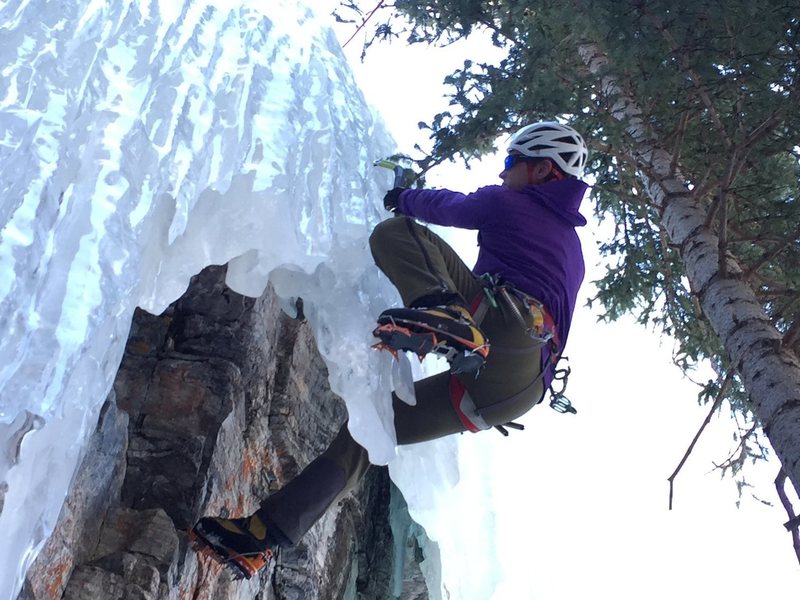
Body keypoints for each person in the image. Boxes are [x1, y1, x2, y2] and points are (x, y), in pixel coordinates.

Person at [189, 121, 590, 578]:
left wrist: (399, 195)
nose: (502, 174)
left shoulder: (511, 202)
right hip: (516, 392)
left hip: (507, 328)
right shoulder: (572, 249)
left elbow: (452, 207)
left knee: (396, 234)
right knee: (371, 432)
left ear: (541, 171)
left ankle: (446, 314)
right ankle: (261, 536)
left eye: (510, 163)